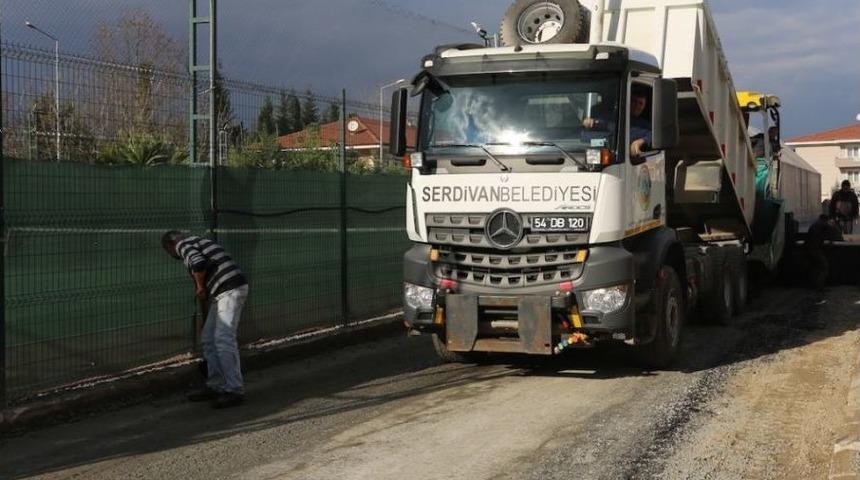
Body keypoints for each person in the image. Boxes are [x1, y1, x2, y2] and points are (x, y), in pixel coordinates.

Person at [162, 231, 249, 409]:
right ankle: (216, 385)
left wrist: (201, 287)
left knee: (223, 339)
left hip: (229, 289)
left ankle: (234, 389)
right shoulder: (198, 242)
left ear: (170, 246)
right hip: (223, 292)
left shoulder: (183, 244)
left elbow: (198, 262)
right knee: (209, 339)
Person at [583, 85, 652, 156]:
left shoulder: (645, 125)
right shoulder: (614, 119)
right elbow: (602, 123)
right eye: (634, 101)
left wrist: (641, 141)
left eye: (640, 103)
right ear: (628, 102)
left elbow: (654, 136)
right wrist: (591, 122)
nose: (637, 106)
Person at [805, 215, 843, 291]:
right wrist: (834, 225)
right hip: (815, 249)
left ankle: (813, 285)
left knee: (815, 268)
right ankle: (820, 287)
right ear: (826, 219)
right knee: (824, 267)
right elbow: (837, 236)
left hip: (809, 248)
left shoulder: (815, 224)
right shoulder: (824, 224)